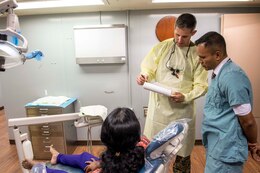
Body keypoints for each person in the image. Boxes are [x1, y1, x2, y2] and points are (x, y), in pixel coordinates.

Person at [136, 13, 208, 172]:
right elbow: (148, 68)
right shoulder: (162, 47)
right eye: (177, 35)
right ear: (174, 29)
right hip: (159, 111)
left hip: (182, 112)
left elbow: (201, 86)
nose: (180, 40)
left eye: (185, 36)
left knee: (182, 155)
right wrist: (145, 76)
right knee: (151, 152)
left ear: (193, 33)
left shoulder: (197, 54)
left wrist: (186, 96)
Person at [195, 31, 260, 173]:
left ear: (217, 55)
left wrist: (253, 143)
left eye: (203, 57)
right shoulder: (220, 74)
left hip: (226, 152)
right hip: (218, 149)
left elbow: (247, 121)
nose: (200, 62)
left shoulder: (232, 76)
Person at [22, 107, 147, 173]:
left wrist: (98, 167)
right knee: (85, 157)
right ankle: (57, 156)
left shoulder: (117, 165)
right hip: (109, 165)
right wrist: (98, 163)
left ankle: (39, 168)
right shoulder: (139, 149)